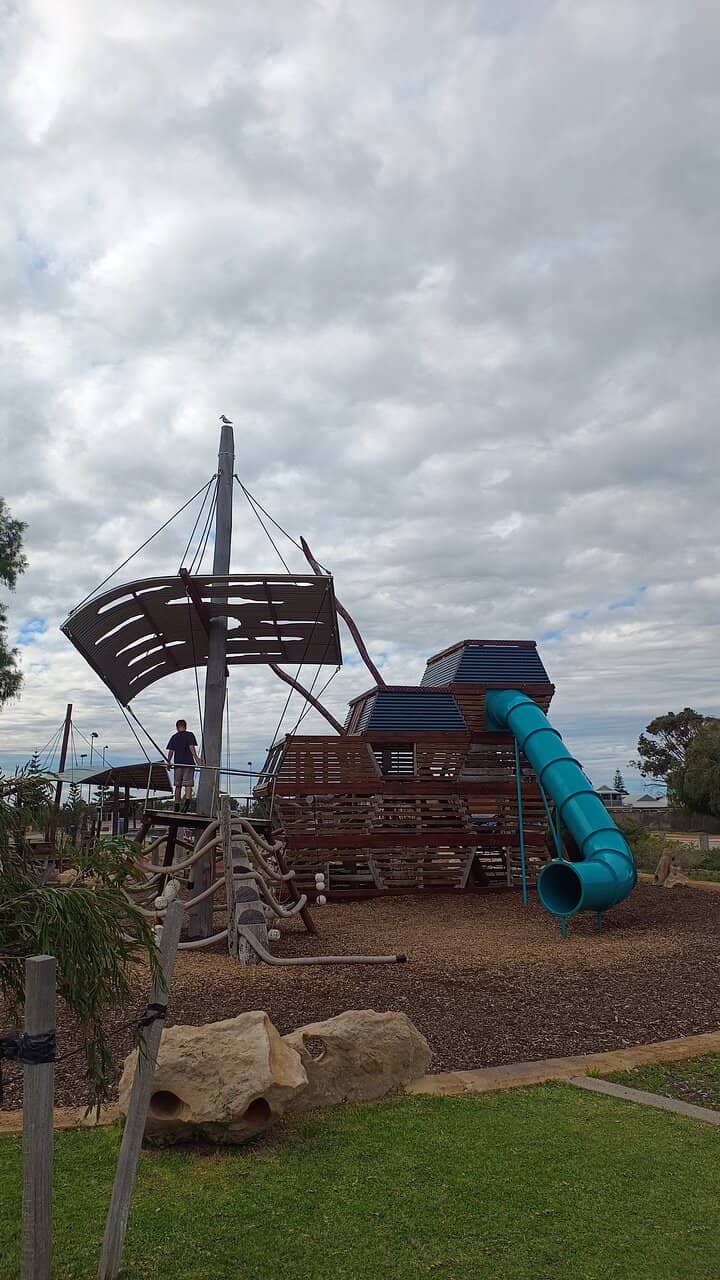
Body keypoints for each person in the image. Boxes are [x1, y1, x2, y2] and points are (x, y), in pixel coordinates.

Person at [166, 719, 202, 812]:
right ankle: (186, 804)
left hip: (178, 764)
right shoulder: (190, 735)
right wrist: (196, 758)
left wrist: (168, 762)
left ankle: (177, 805)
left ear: (177, 727)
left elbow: (171, 751)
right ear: (185, 726)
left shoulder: (174, 737)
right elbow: (191, 747)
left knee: (178, 785)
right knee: (188, 784)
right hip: (188, 763)